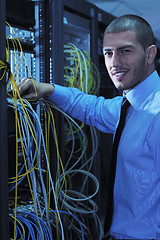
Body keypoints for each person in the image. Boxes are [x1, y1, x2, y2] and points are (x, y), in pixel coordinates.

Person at [18, 14, 160, 239]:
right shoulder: (131, 106)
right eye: (108, 53)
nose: (114, 63)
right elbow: (93, 108)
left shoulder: (157, 113)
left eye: (125, 51)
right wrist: (49, 89)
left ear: (150, 54)